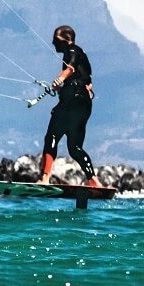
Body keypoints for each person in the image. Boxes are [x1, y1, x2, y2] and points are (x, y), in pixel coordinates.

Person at [38, 24, 99, 187]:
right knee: (74, 147)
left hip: (71, 102)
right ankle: (93, 181)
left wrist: (60, 78)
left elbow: (70, 69)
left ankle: (44, 179)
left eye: (55, 40)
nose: (53, 43)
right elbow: (85, 82)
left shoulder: (71, 51)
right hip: (84, 105)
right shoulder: (82, 56)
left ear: (66, 40)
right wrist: (60, 89)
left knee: (51, 137)